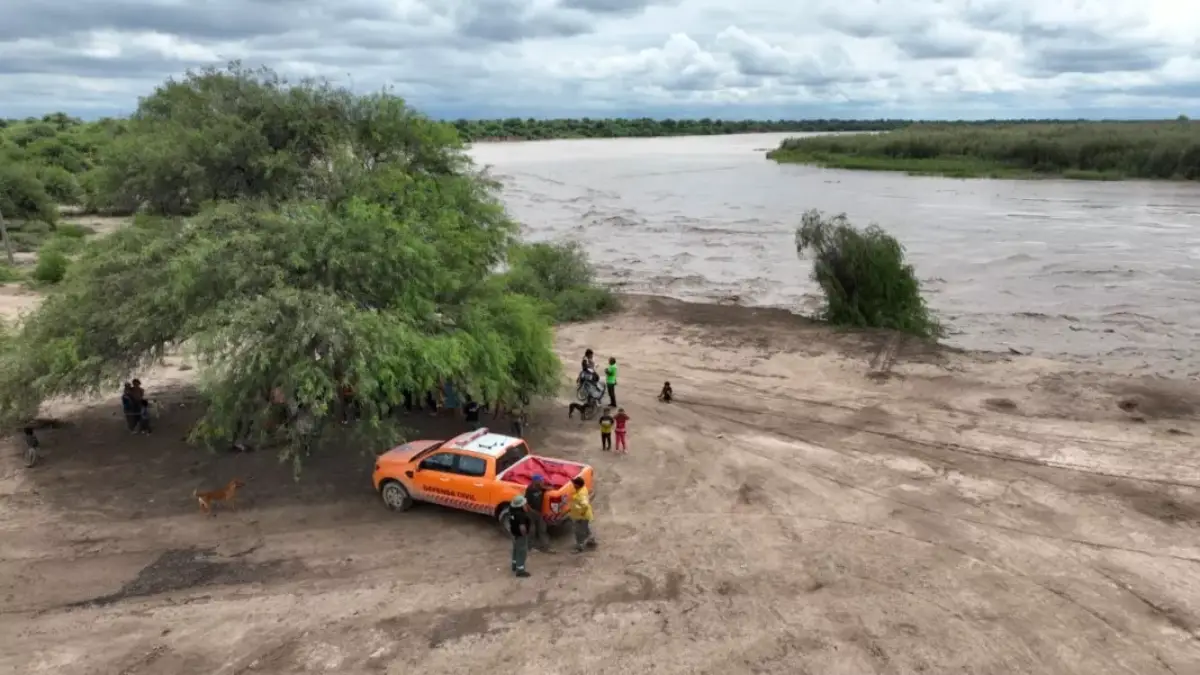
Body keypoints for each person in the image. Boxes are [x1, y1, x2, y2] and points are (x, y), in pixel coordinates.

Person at [525, 475, 554, 553]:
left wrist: (549, 487)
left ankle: (546, 547)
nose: (542, 482)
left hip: (539, 513)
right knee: (532, 531)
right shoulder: (530, 490)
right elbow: (526, 502)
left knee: (542, 529)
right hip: (531, 513)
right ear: (535, 481)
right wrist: (532, 511)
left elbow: (550, 488)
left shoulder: (540, 487)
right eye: (540, 481)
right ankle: (530, 548)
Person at [568, 476, 597, 553]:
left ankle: (579, 547)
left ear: (577, 485)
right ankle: (591, 540)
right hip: (582, 515)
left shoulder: (581, 495)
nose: (573, 484)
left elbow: (585, 505)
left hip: (581, 516)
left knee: (578, 531)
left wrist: (581, 514)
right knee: (585, 529)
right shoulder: (582, 488)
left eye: (574, 483)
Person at [508, 494, 533, 577]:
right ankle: (520, 570)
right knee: (522, 552)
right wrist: (524, 534)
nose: (526, 505)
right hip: (520, 535)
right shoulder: (521, 515)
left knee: (516, 549)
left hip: (514, 534)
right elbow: (522, 527)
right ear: (521, 506)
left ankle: (514, 565)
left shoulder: (512, 511)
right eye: (524, 504)